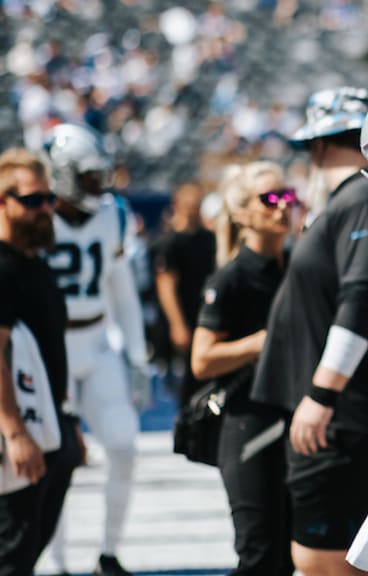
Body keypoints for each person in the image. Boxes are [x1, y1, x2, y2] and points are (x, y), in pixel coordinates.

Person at [249, 86, 368, 576]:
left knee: (328, 562)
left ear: (318, 146)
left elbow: (359, 299)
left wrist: (322, 394)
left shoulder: (361, 197)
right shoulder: (354, 200)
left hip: (344, 417)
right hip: (342, 415)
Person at [42, 123, 147, 576]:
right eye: (86, 175)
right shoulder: (35, 212)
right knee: (55, 459)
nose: (96, 184)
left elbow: (122, 292)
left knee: (123, 447)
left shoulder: (112, 214)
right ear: (61, 173)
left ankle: (108, 551)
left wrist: (139, 358)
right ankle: (56, 559)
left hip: (98, 342)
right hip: (50, 348)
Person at [191, 162, 296, 575]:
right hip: (247, 423)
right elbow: (202, 360)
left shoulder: (295, 267)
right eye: (270, 199)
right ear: (241, 213)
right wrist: (265, 341)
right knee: (257, 553)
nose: (282, 207)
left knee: (290, 553)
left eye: (288, 196)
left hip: (291, 419)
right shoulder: (231, 276)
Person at [0, 148, 83, 576]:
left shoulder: (37, 265)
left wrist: (68, 422)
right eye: (32, 201)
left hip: (50, 429)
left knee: (27, 551)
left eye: (48, 199)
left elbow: (52, 349)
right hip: (17, 436)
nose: (45, 209)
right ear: (2, 203)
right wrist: (14, 432)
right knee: (11, 555)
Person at [154, 181, 216, 406]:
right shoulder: (170, 242)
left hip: (202, 315)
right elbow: (166, 284)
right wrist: (177, 323)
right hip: (184, 318)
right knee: (184, 386)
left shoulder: (208, 239)